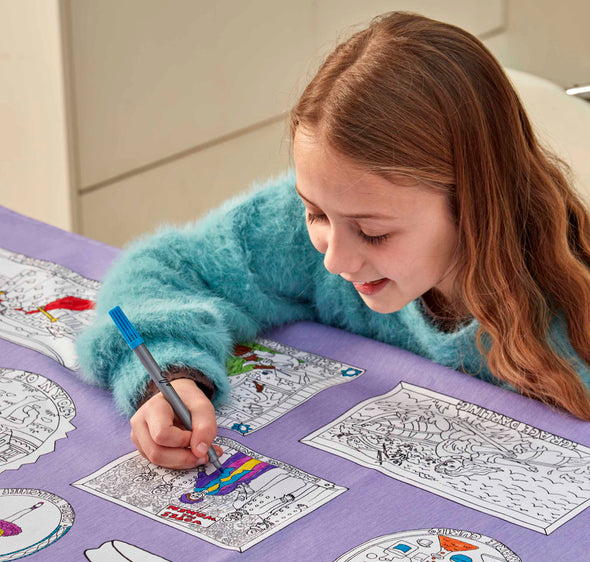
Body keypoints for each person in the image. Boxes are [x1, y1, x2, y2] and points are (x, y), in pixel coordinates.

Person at [76, 11, 590, 470]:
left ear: (474, 203)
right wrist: (170, 375)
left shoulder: (568, 313)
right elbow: (166, 269)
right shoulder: (316, 226)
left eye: (374, 232)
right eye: (315, 212)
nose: (336, 259)